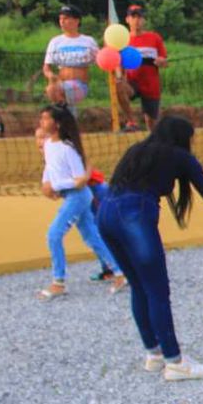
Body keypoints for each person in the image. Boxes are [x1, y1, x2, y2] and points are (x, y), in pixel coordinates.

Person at [97, 116, 203, 381]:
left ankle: (154, 354)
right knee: (157, 290)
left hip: (105, 212)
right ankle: (175, 362)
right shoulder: (180, 157)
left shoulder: (138, 150)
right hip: (134, 214)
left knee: (138, 286)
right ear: (182, 138)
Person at [37, 105, 125, 300]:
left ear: (57, 124)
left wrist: (58, 185)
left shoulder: (68, 148)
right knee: (92, 236)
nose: (41, 122)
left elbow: (80, 180)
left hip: (78, 196)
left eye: (46, 119)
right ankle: (120, 272)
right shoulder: (49, 144)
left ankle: (58, 282)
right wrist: (47, 184)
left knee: (54, 234)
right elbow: (50, 167)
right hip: (71, 194)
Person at [116, 4, 168, 131]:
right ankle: (131, 121)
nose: (136, 20)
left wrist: (161, 61)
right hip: (132, 82)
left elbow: (165, 61)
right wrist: (119, 76)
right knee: (118, 86)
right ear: (127, 19)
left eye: (139, 17)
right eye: (133, 17)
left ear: (144, 20)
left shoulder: (154, 38)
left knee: (152, 123)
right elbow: (117, 61)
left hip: (151, 84)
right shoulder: (122, 39)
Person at [43, 5, 98, 116]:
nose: (62, 22)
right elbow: (46, 67)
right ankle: (68, 119)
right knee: (51, 90)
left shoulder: (88, 41)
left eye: (66, 18)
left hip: (79, 84)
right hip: (61, 83)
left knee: (59, 93)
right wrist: (50, 76)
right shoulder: (55, 41)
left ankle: (67, 116)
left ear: (77, 21)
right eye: (60, 19)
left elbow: (100, 60)